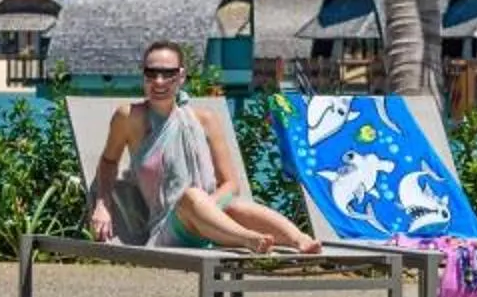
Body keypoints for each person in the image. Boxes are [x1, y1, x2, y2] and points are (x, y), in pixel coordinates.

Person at [87, 41, 320, 253]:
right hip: (170, 229)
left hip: (213, 221)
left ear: (181, 76)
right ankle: (249, 239)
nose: (158, 81)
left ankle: (299, 239)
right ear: (144, 76)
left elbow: (231, 184)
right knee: (191, 196)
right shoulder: (129, 117)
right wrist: (102, 204)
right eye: (151, 73)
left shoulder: (205, 120)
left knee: (234, 205)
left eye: (167, 74)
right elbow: (108, 161)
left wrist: (208, 207)